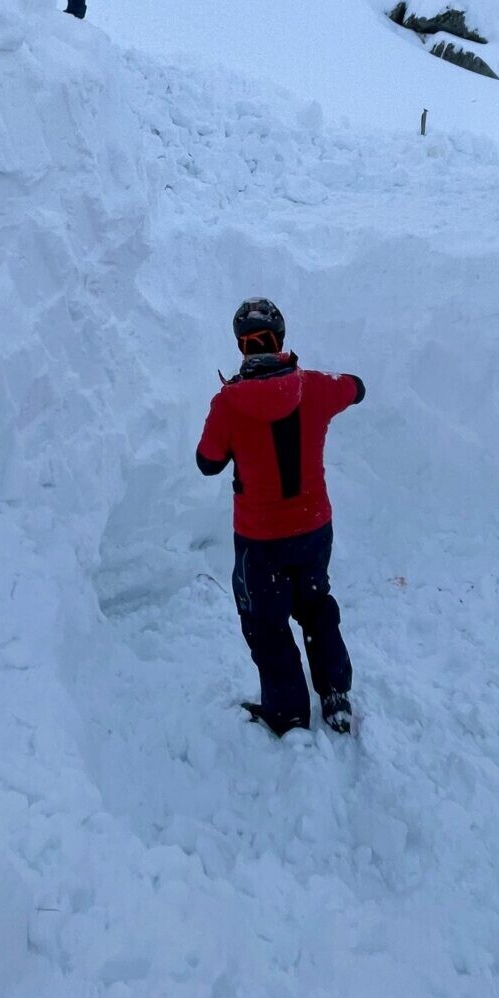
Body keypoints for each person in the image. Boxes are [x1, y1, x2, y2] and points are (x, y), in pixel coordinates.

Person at [196, 298, 364, 736]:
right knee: (315, 605)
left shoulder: (228, 403)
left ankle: (288, 711)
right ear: (281, 340)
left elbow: (207, 462)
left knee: (266, 624)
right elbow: (355, 387)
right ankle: (335, 693)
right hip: (313, 529)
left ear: (242, 347)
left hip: (260, 541)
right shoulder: (316, 386)